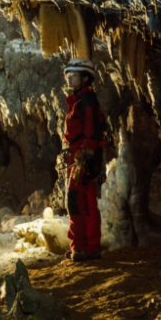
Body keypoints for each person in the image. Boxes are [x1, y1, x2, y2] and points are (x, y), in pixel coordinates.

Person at [60, 58, 107, 262]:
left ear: (85, 78)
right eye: (68, 74)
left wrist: (87, 157)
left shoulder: (86, 102)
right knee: (79, 202)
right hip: (78, 156)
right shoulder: (78, 101)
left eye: (74, 75)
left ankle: (86, 248)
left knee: (82, 203)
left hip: (84, 158)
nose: (69, 78)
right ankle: (80, 246)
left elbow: (91, 130)